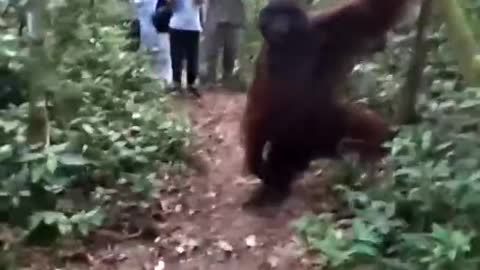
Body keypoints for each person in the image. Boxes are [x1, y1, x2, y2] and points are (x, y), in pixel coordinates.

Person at [201, 0, 246, 88]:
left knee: (231, 51)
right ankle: (210, 79)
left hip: (234, 19)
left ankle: (227, 78)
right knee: (211, 51)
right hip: (215, 19)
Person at [167, 0, 203, 97]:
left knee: (193, 57)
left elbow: (200, 2)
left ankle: (191, 84)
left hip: (193, 27)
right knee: (176, 57)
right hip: (176, 26)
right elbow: (169, 4)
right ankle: (176, 84)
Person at [130, 0, 172, 83]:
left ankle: (154, 81)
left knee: (154, 59)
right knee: (161, 59)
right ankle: (162, 81)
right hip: (159, 32)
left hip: (155, 33)